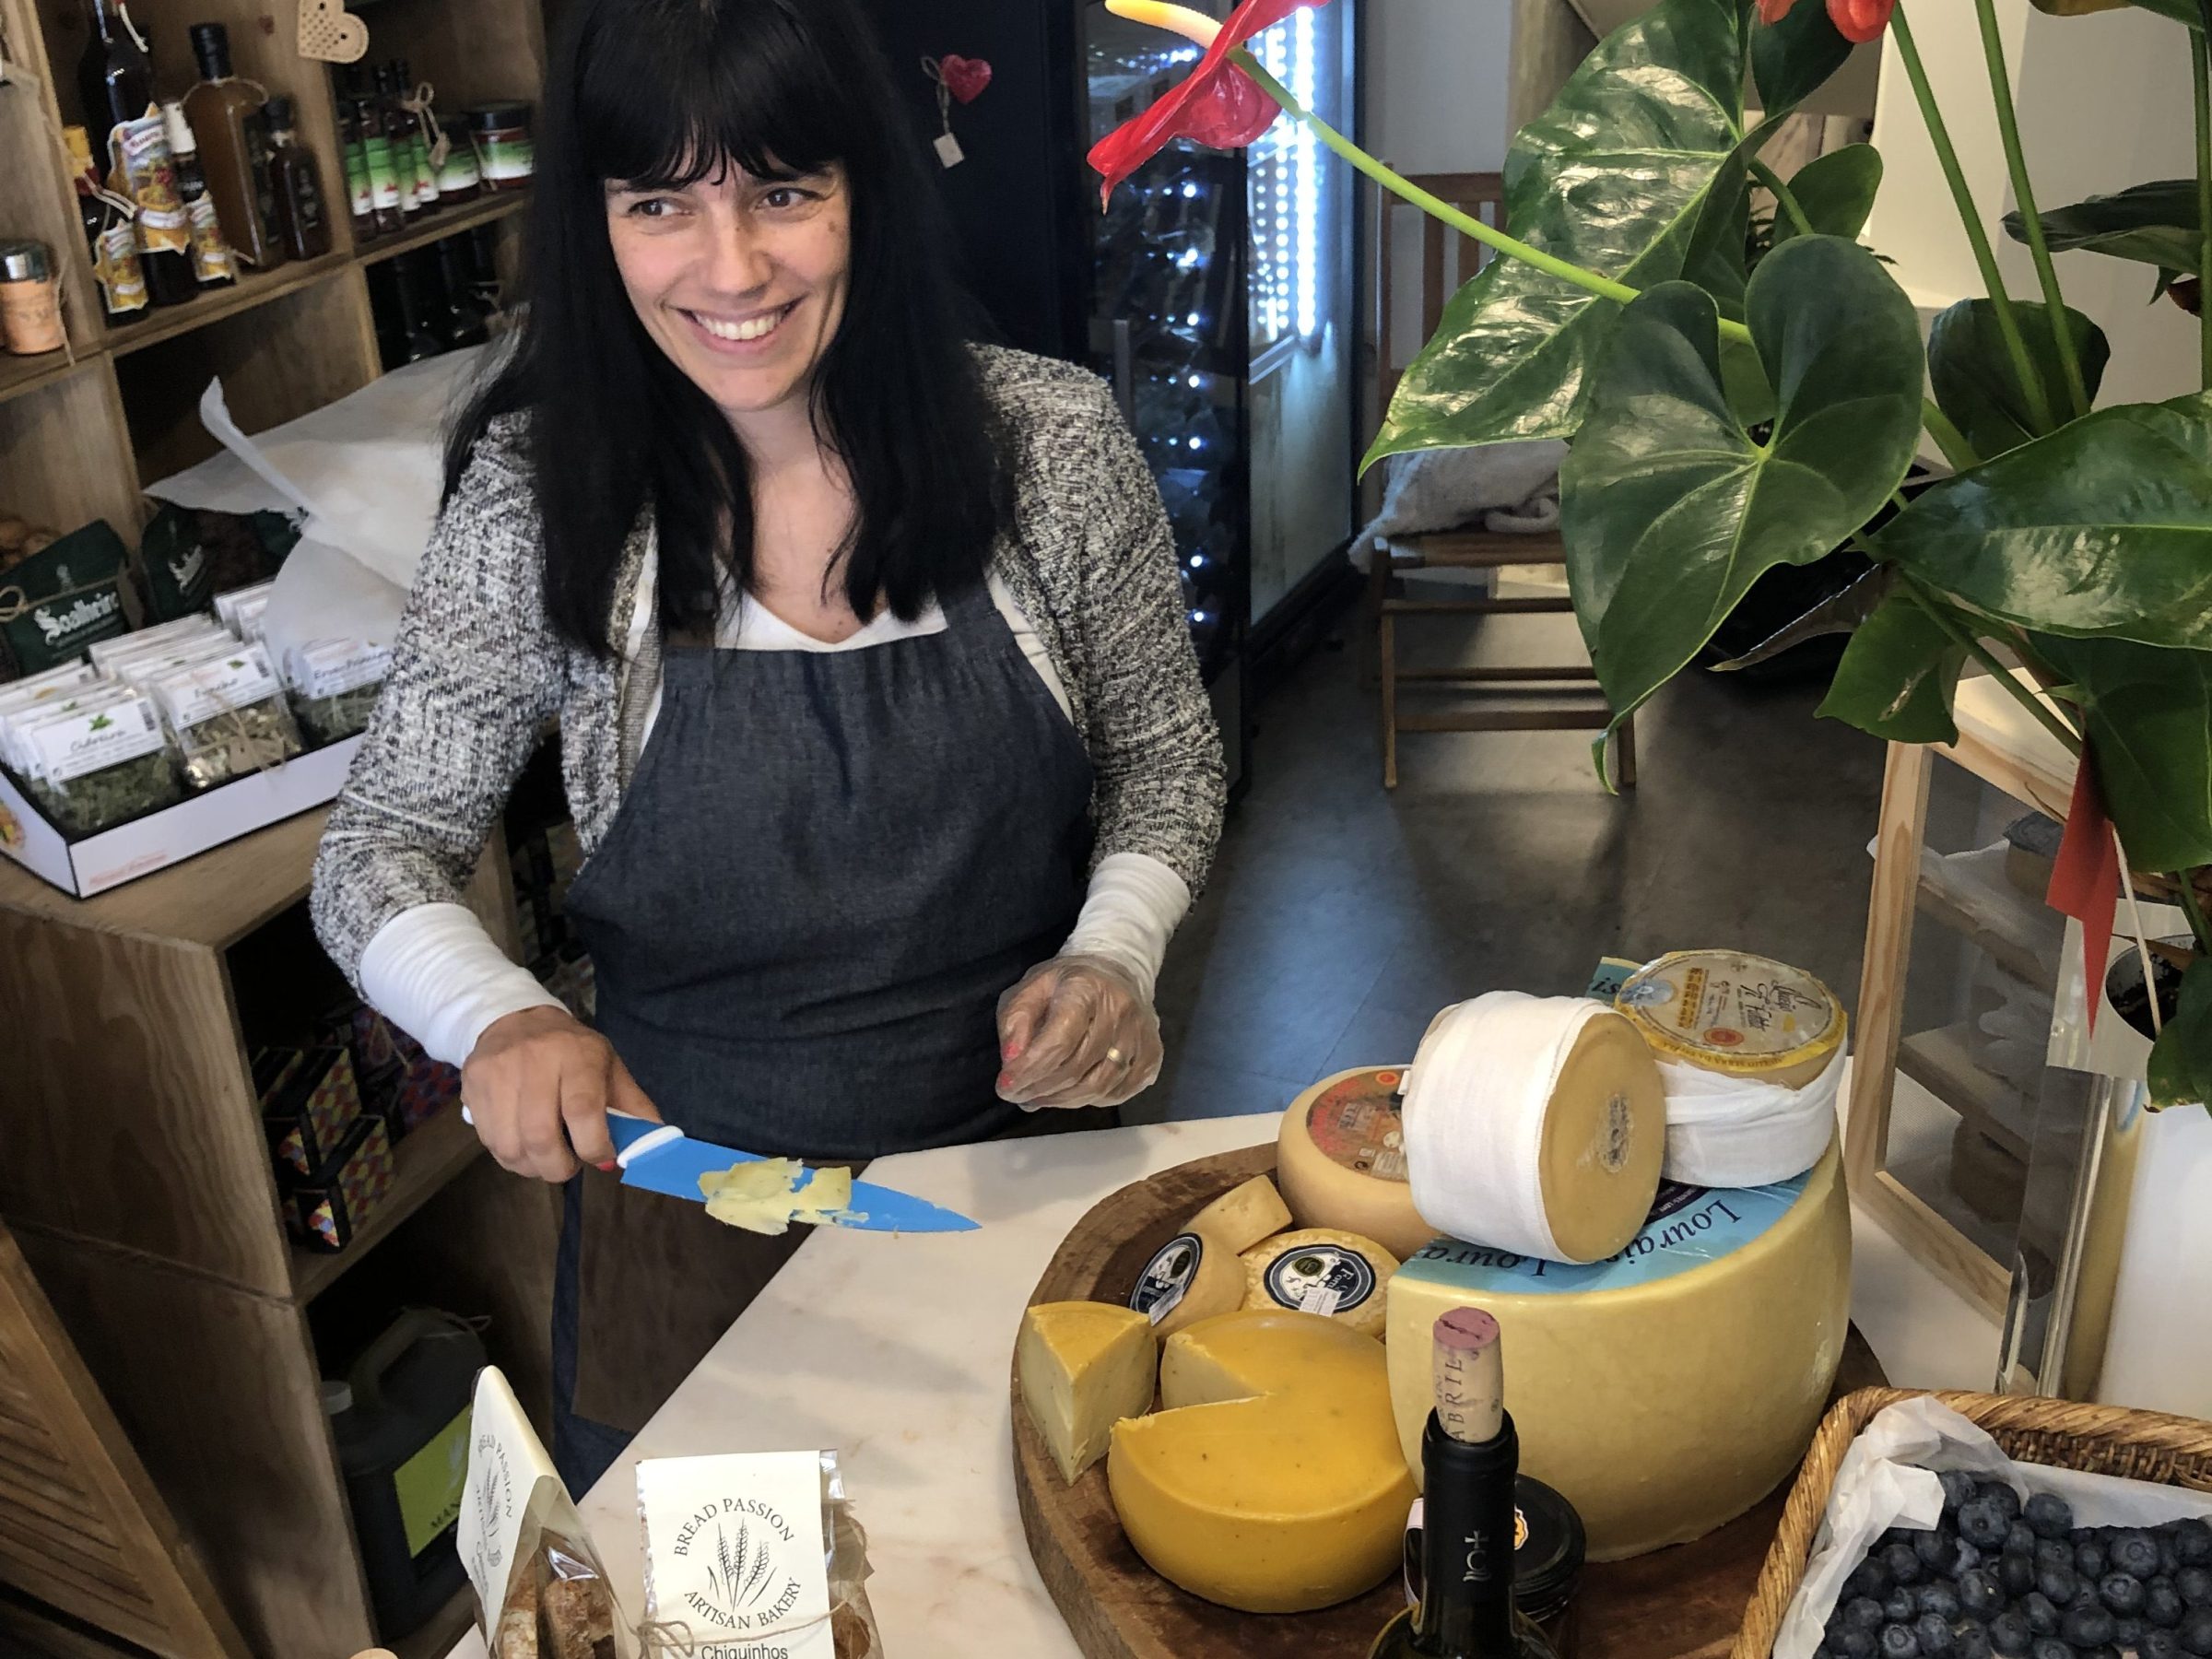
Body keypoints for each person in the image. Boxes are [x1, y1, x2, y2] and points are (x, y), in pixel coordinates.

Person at [310, 0, 1223, 1491]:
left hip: (1014, 1180)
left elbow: (1167, 767)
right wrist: (499, 1017)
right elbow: (377, 848)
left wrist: (1114, 955)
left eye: (784, 192)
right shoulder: (540, 499)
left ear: (867, 189)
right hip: (685, 1200)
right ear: (595, 222)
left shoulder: (1049, 446)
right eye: (660, 203)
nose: (730, 271)